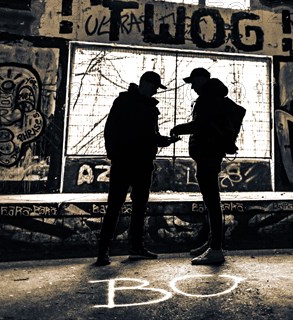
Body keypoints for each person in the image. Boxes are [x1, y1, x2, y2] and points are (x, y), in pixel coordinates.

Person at [95, 71, 178, 266]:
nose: (155, 91)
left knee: (135, 206)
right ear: (144, 84)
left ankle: (127, 248)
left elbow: (149, 135)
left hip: (139, 162)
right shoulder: (124, 102)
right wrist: (115, 155)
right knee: (118, 206)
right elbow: (111, 130)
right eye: (154, 87)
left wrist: (163, 141)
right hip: (128, 162)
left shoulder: (143, 105)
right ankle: (108, 250)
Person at [171, 67, 229, 265]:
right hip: (210, 154)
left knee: (212, 201)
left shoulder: (208, 98)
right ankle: (212, 243)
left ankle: (216, 249)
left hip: (208, 155)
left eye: (194, 82)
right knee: (210, 201)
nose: (192, 86)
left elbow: (201, 125)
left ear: (202, 79)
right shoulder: (213, 96)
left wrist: (179, 128)